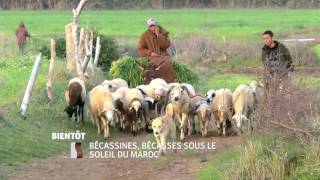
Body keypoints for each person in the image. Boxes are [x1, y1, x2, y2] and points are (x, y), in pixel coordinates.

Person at [138, 18, 176, 83]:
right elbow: (141, 49)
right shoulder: (144, 35)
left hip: (163, 56)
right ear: (149, 27)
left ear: (157, 25)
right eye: (151, 26)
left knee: (168, 64)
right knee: (152, 66)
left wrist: (159, 35)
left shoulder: (163, 33)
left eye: (154, 25)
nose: (153, 27)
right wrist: (150, 53)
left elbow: (166, 45)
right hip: (151, 57)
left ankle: (169, 82)